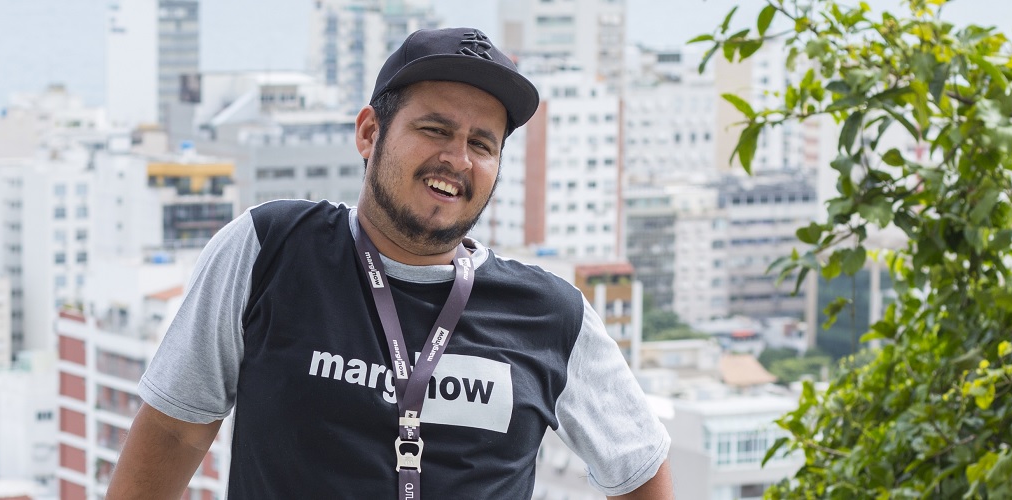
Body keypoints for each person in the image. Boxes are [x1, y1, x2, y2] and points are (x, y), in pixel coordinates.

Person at [107, 27, 673, 499]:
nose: (457, 159)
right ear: (369, 133)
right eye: (435, 129)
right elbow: (175, 433)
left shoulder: (551, 315)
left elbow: (641, 470)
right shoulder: (270, 250)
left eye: (482, 144)